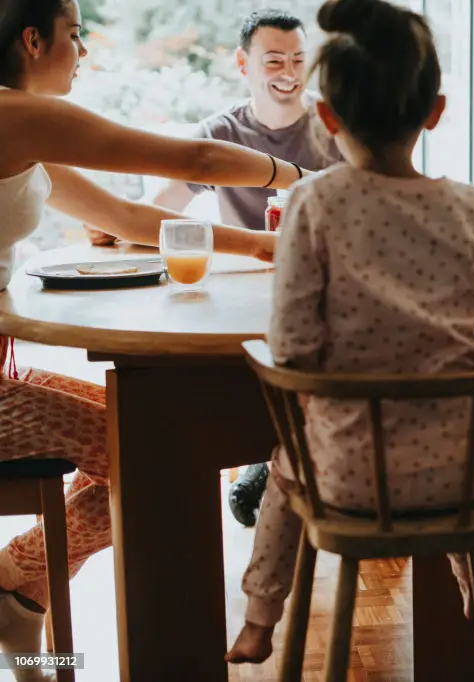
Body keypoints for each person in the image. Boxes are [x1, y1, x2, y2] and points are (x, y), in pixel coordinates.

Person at [0, 2, 307, 676]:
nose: (83, 49)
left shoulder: (20, 131)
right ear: (31, 39)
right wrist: (299, 179)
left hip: (4, 374)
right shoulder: (13, 113)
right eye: (75, 34)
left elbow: (130, 216)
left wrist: (264, 245)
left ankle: (18, 591)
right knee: (155, 451)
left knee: (155, 434)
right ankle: (14, 581)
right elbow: (193, 156)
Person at [225, 0, 474, 664]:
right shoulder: (472, 208)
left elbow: (295, 347)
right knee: (459, 481)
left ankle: (258, 616)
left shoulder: (314, 201)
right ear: (437, 111)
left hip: (351, 478)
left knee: (286, 463)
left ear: (327, 117)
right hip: (465, 471)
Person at [142, 8, 346, 529]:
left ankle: (275, 459)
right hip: (248, 294)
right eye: (274, 59)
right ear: (243, 64)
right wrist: (119, 223)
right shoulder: (222, 132)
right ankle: (270, 454)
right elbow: (161, 207)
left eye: (299, 59)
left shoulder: (335, 125)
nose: (288, 72)